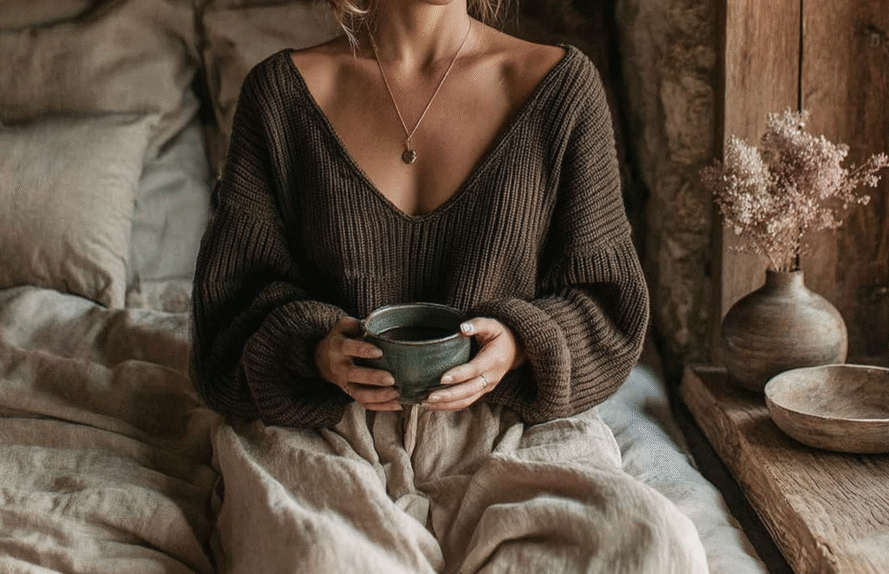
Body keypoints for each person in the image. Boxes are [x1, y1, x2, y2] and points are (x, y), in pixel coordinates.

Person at [190, 0, 709, 572]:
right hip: (322, 426)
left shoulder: (561, 89)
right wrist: (314, 349)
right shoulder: (280, 95)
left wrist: (519, 344)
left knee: (649, 542)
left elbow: (609, 305)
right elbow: (227, 313)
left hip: (510, 428)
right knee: (324, 559)